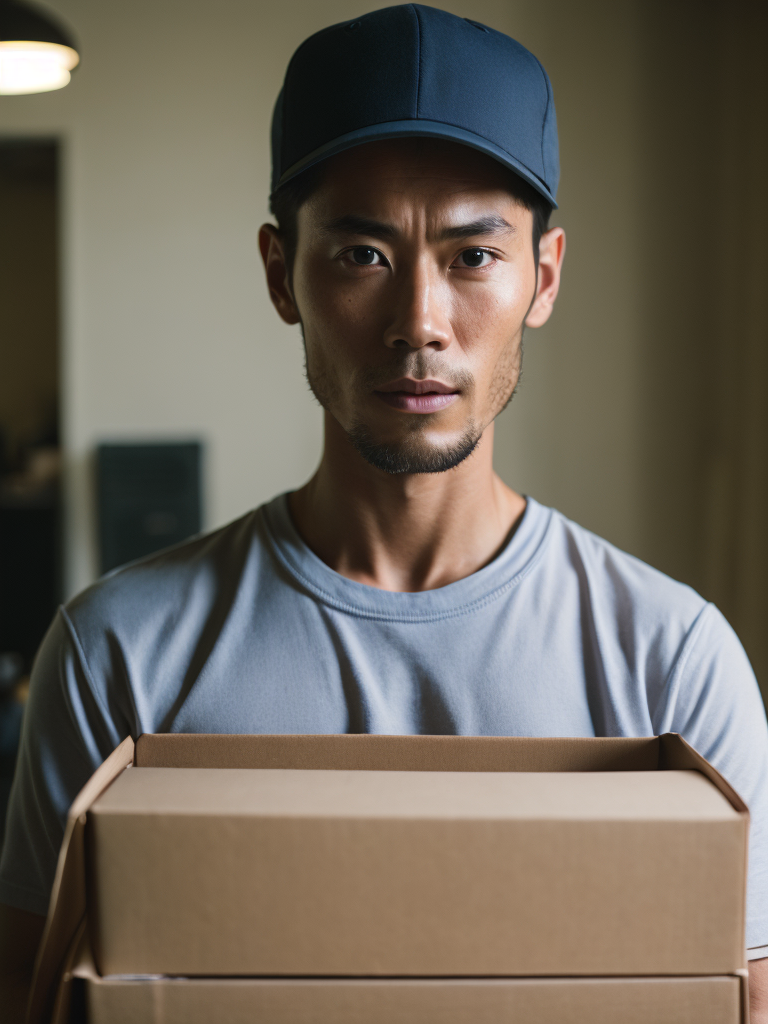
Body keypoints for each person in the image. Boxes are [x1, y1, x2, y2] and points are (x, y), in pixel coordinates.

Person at [2, 5, 767, 1020]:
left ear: (543, 277)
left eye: (473, 256)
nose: (419, 323)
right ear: (281, 274)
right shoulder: (119, 656)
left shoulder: (672, 665)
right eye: (362, 254)